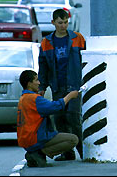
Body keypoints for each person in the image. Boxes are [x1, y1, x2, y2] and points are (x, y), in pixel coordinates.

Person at [37, 8, 86, 161]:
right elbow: (43, 66)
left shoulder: (77, 38)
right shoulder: (46, 42)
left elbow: (86, 60)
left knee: (74, 118)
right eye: (60, 23)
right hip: (57, 86)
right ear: (53, 23)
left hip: (74, 86)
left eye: (65, 22)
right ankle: (68, 153)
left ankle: (84, 152)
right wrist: (42, 87)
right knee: (59, 119)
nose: (63, 26)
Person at [17, 69, 79, 168]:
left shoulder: (23, 98)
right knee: (73, 139)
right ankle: (39, 153)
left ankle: (36, 153)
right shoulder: (34, 99)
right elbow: (56, 106)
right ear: (29, 84)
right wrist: (70, 96)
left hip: (26, 140)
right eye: (36, 80)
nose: (39, 83)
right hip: (35, 139)